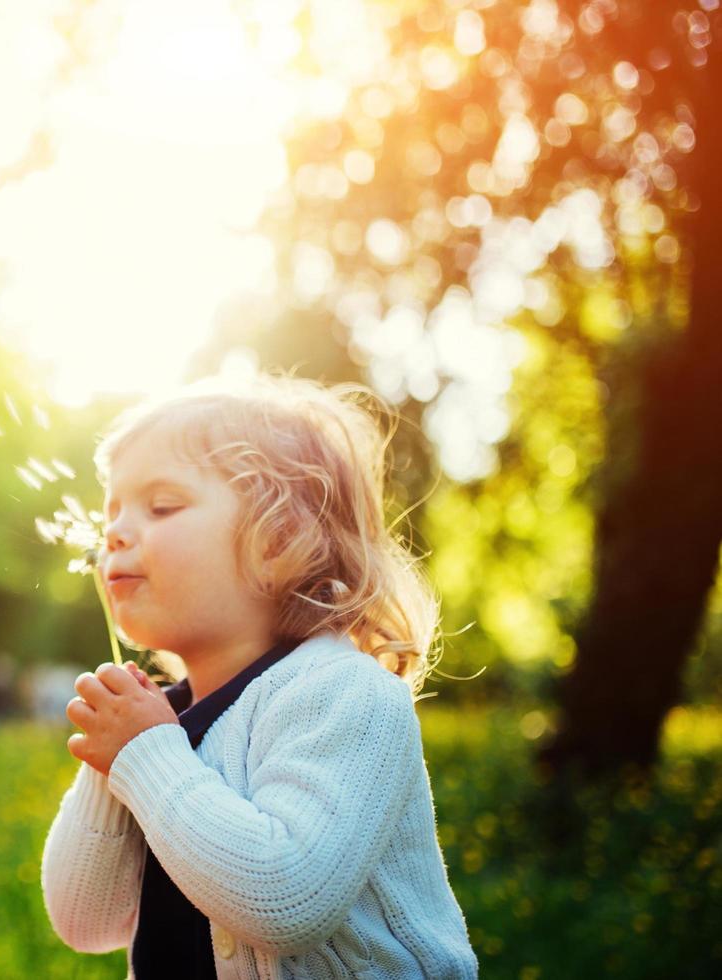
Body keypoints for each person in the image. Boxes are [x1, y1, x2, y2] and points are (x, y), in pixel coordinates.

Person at [40, 370, 479, 979]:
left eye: (161, 506)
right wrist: (113, 763)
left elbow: (286, 900)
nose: (113, 531)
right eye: (111, 512)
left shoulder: (345, 695)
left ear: (278, 541)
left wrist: (142, 753)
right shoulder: (162, 721)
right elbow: (87, 923)